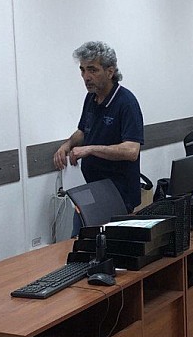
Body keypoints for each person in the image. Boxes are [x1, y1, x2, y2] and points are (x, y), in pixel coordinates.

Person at [53, 41, 144, 212]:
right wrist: (68, 144)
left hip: (117, 194)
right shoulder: (91, 98)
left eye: (92, 70)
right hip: (91, 189)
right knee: (80, 229)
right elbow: (83, 131)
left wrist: (90, 149)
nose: (86, 77)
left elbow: (131, 151)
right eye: (83, 70)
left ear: (110, 72)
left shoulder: (126, 103)